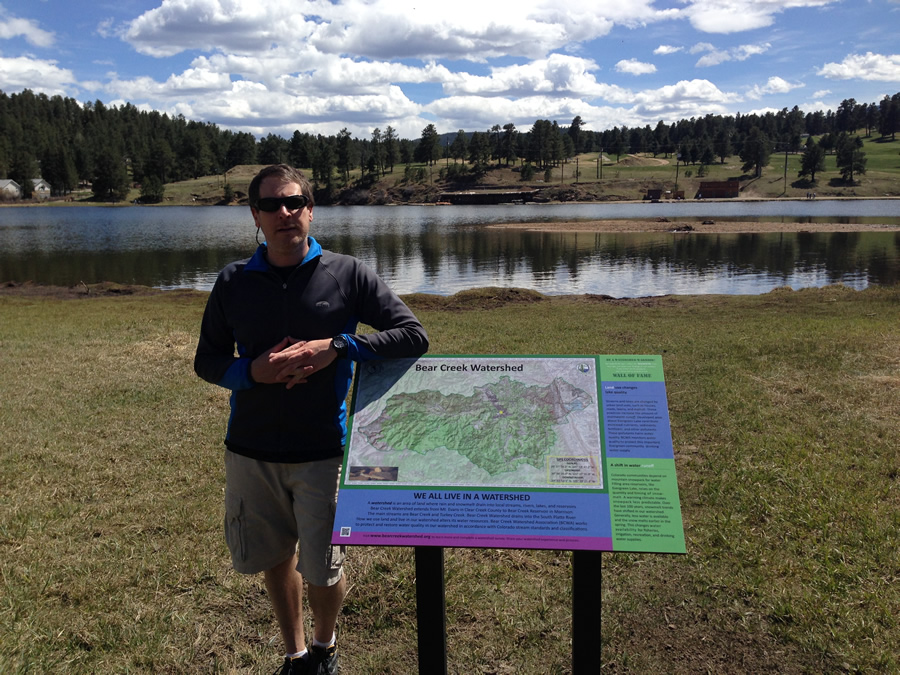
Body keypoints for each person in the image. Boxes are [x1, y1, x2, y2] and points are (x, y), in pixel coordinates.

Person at [194, 164, 429, 674]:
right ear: (255, 216)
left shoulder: (348, 274)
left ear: (310, 209)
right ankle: (295, 653)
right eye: (272, 205)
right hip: (251, 451)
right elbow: (207, 361)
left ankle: (326, 645)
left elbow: (413, 336)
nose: (285, 213)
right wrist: (251, 371)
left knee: (323, 568)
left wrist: (339, 345)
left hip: (322, 450)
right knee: (275, 560)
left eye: (295, 202)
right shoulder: (234, 281)